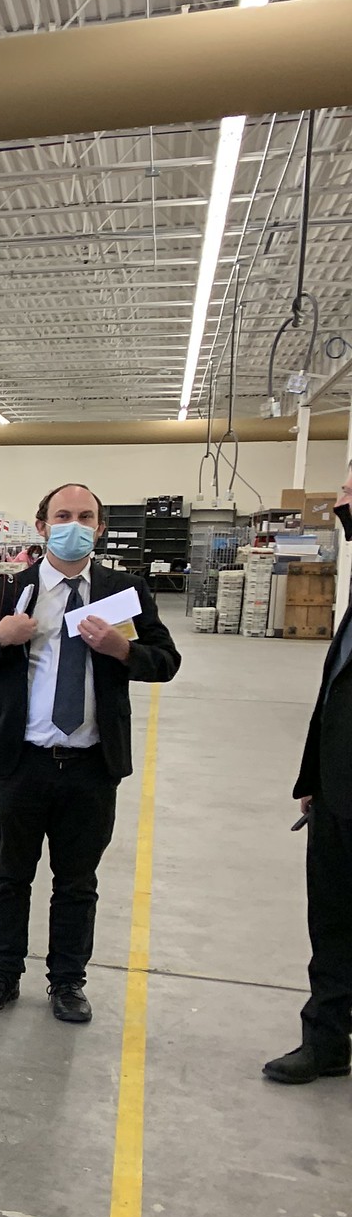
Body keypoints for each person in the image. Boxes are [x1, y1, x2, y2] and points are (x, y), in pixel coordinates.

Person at [0, 483, 180, 1023]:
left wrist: (122, 649)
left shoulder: (123, 592)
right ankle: (3, 972)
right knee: (9, 875)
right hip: (19, 761)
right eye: (63, 515)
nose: (74, 524)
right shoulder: (6, 591)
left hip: (90, 767)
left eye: (86, 516)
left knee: (77, 882)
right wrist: (1, 638)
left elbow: (166, 660)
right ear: (41, 526)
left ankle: (67, 982)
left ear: (100, 528)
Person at [266, 462, 352, 1083]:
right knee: (331, 923)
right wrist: (312, 780)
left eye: (349, 488)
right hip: (337, 795)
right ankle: (325, 1038)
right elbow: (333, 699)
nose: (339, 500)